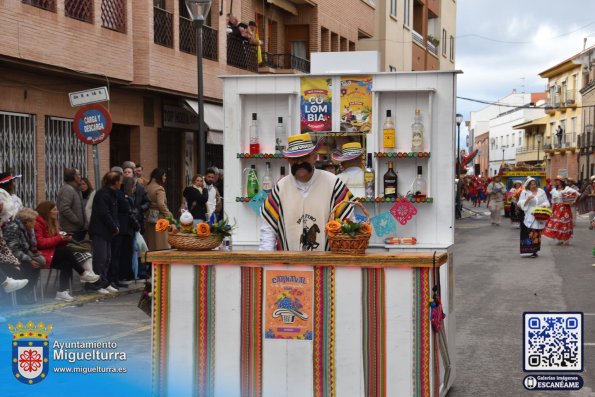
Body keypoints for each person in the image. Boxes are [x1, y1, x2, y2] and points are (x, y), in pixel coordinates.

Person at [260, 133, 354, 251]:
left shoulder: (334, 184)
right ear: (288, 160)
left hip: (326, 265)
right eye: (294, 158)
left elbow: (349, 226)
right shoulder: (280, 188)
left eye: (304, 156)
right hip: (289, 265)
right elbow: (268, 231)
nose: (299, 162)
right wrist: (264, 261)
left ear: (314, 156)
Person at [35, 201, 100, 301]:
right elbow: (41, 243)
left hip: (52, 253)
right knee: (65, 252)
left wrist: (65, 240)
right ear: (47, 212)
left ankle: (62, 291)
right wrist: (60, 239)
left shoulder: (53, 223)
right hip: (42, 255)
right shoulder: (38, 224)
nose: (57, 212)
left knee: (66, 262)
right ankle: (83, 273)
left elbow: (55, 242)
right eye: (54, 210)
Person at [4, 208, 45, 303]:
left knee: (38, 264)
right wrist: (29, 260)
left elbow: (32, 246)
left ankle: (26, 292)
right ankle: (21, 295)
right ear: (26, 222)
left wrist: (32, 233)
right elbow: (13, 249)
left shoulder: (27, 229)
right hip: (11, 258)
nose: (35, 223)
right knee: (29, 266)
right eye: (33, 221)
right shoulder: (13, 228)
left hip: (23, 255)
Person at [89, 172, 120, 287]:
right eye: (119, 181)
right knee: (100, 258)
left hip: (108, 231)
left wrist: (115, 226)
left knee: (107, 258)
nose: (120, 183)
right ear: (116, 182)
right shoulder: (102, 194)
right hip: (100, 230)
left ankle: (104, 281)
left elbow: (113, 213)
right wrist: (114, 226)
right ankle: (96, 283)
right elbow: (104, 213)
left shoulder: (113, 194)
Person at [517, 177, 550, 258]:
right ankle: (529, 250)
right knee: (530, 231)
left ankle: (535, 250)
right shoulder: (525, 192)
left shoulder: (541, 191)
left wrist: (544, 205)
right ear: (528, 185)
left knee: (537, 232)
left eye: (534, 184)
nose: (533, 186)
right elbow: (519, 203)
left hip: (539, 213)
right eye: (532, 184)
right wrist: (527, 199)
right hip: (529, 214)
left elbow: (547, 201)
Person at [542, 176, 578, 245]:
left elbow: (576, 194)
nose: (557, 182)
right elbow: (553, 201)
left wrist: (571, 200)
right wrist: (551, 210)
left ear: (562, 181)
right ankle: (559, 238)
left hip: (565, 208)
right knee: (557, 224)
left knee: (564, 224)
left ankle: (565, 239)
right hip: (557, 208)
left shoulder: (567, 189)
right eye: (556, 180)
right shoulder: (554, 190)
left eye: (558, 180)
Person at [144, 168, 172, 250]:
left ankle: (151, 260)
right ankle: (161, 260)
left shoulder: (147, 187)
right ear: (159, 176)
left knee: (151, 240)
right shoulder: (159, 188)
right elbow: (161, 204)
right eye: (164, 175)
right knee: (161, 242)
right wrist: (169, 215)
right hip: (160, 218)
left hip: (148, 215)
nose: (165, 177)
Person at [56, 168, 87, 241]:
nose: (80, 176)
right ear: (74, 177)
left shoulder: (76, 188)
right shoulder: (68, 189)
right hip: (71, 230)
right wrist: (77, 220)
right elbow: (64, 208)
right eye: (78, 174)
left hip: (78, 229)